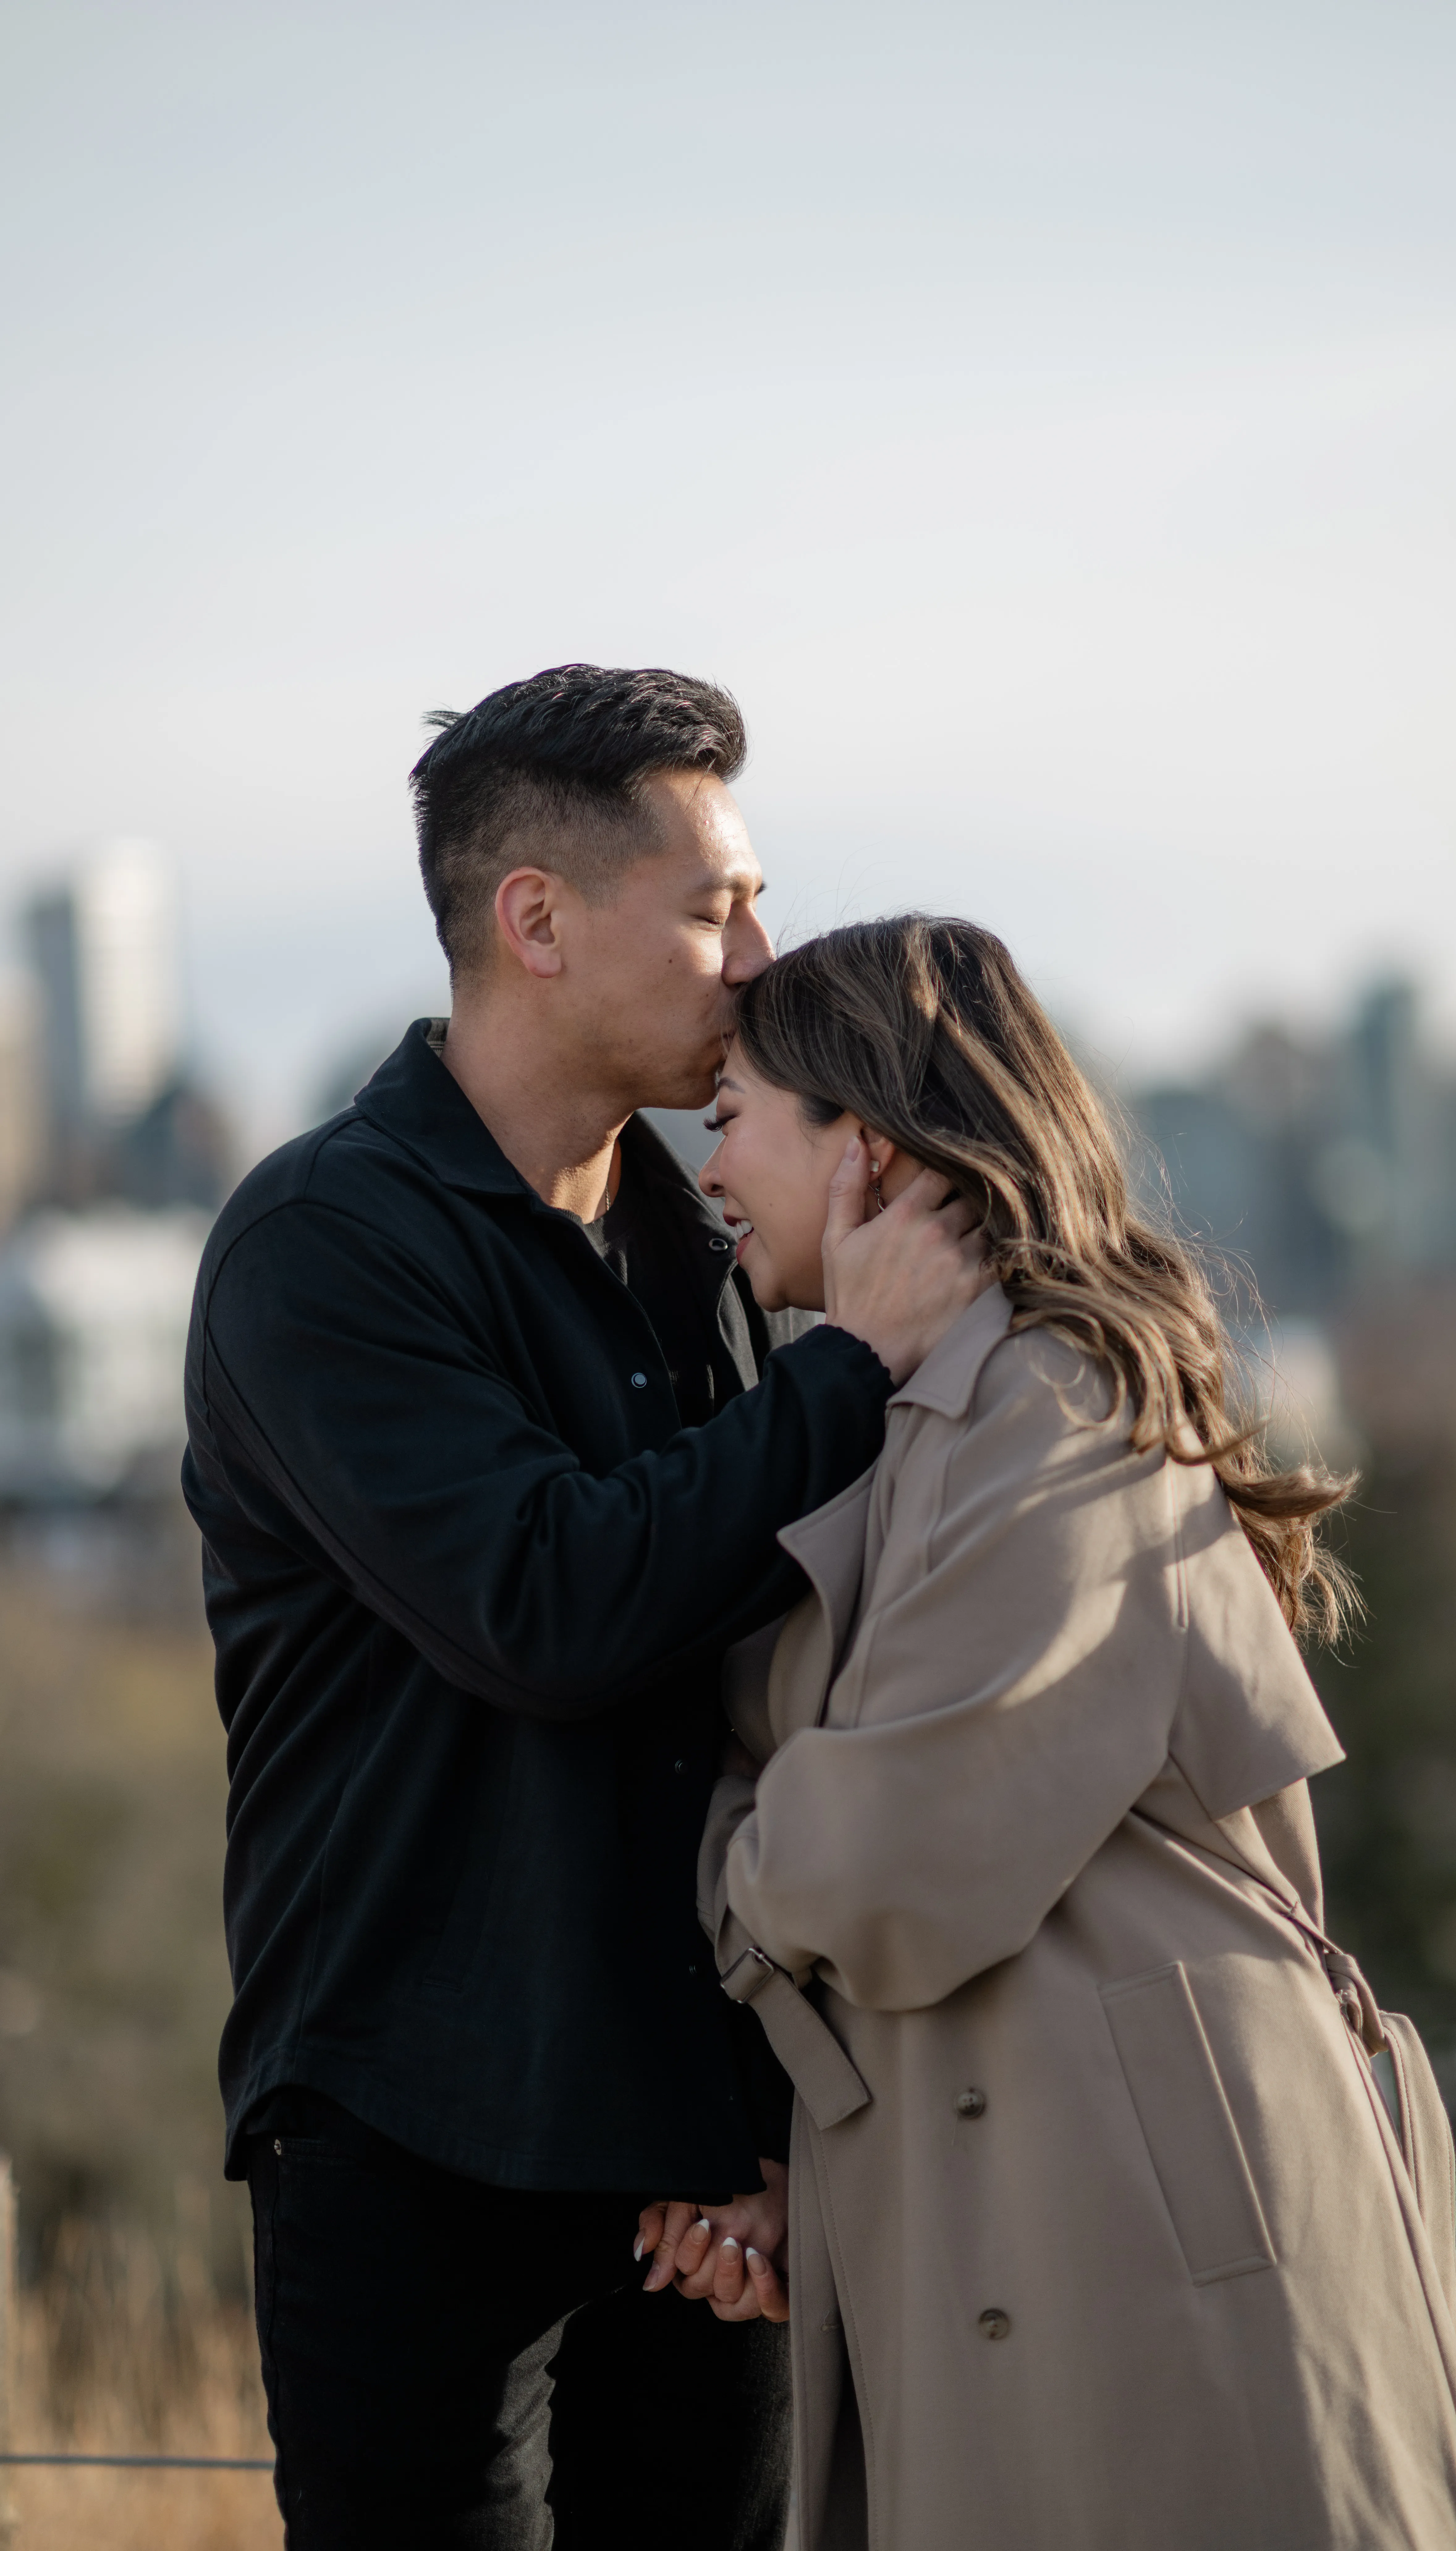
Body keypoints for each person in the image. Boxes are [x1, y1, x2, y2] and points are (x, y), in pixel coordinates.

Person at [180, 668, 986, 2551]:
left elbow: (766, 1685)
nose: (762, 956)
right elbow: (546, 1607)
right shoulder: (322, 1247)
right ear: (534, 920)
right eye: (715, 906)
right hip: (411, 2141)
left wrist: (770, 2124)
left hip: (696, 2173)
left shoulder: (699, 1247)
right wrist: (850, 1368)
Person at [655, 914, 1456, 2550]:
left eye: (734, 1118)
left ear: (870, 1151)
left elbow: (884, 1855)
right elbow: (798, 1820)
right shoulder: (886, 1420)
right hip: (1003, 2222)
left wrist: (743, 1870)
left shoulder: (1065, 1397)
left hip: (1152, 2249)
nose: (711, 1170)